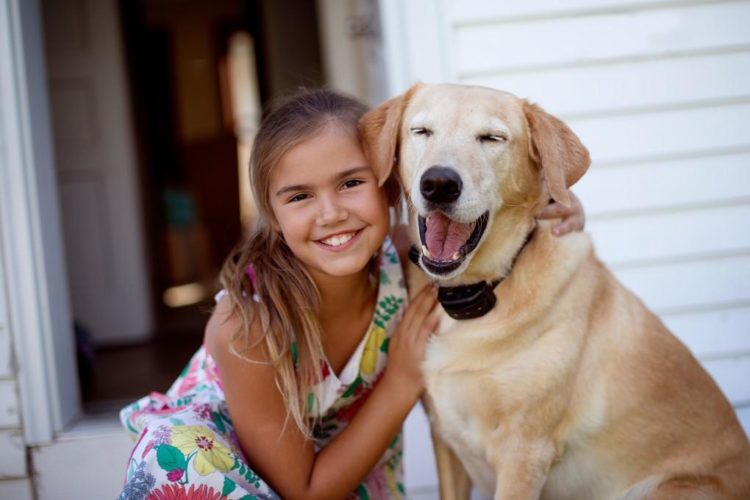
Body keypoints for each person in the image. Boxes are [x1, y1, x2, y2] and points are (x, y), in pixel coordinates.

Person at [118, 88, 585, 500]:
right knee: (190, 459)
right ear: (272, 216)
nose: (331, 214)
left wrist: (555, 203)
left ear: (392, 183)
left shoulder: (407, 262)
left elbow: (499, 219)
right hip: (224, 477)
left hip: (345, 467)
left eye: (351, 183)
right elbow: (304, 490)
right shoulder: (247, 325)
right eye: (299, 196)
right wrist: (402, 379)